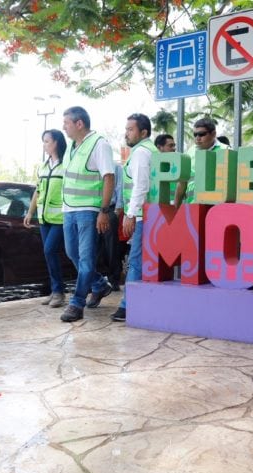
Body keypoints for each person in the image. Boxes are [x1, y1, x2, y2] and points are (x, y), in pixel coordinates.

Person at [59, 106, 116, 322]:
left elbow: (109, 177)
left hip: (88, 211)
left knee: (86, 259)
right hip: (69, 209)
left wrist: (104, 211)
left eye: (66, 123)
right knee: (72, 253)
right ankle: (99, 285)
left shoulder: (99, 144)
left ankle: (77, 303)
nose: (63, 127)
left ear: (79, 123)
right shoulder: (72, 146)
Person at [111, 113, 157, 322]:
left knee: (135, 260)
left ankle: (127, 305)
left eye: (130, 129)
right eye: (126, 129)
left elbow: (140, 186)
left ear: (143, 132)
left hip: (141, 215)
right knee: (142, 259)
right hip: (149, 213)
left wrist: (130, 214)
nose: (126, 133)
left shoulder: (140, 153)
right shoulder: (150, 150)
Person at [24, 129, 67, 308]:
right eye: (43, 141)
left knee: (50, 251)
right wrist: (30, 212)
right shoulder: (43, 166)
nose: (44, 145)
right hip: (44, 218)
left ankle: (59, 292)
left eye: (47, 141)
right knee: (49, 254)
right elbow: (38, 190)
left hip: (60, 218)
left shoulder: (66, 165)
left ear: (56, 142)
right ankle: (55, 290)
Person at [175, 118, 226, 207]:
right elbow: (182, 183)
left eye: (202, 134)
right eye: (195, 134)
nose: (197, 138)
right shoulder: (190, 152)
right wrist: (176, 208)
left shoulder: (225, 151)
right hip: (192, 207)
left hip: (216, 207)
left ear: (213, 134)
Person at [95, 162, 123, 291]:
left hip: (109, 210)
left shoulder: (115, 166)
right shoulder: (91, 165)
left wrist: (117, 210)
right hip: (92, 209)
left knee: (111, 247)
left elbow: (120, 187)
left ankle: (114, 279)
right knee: (95, 247)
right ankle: (97, 281)